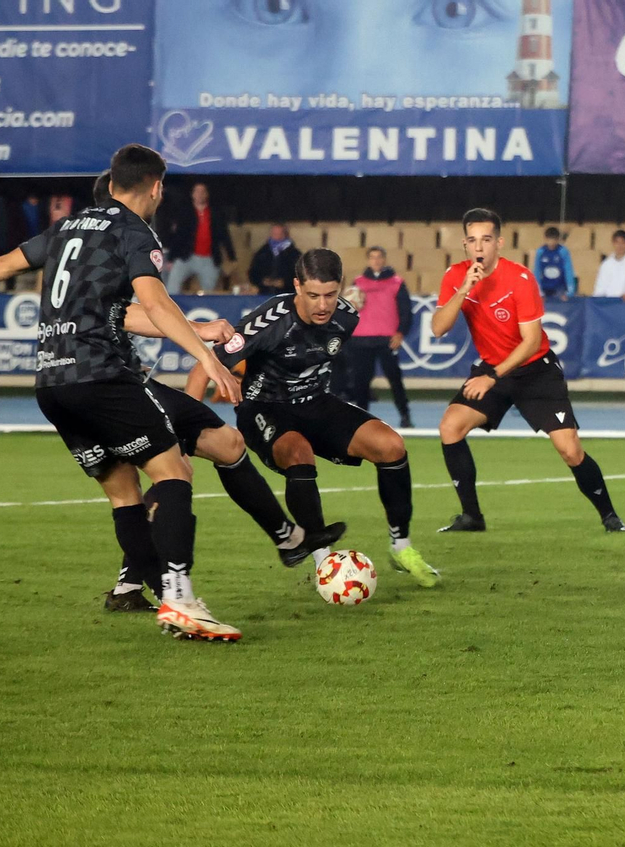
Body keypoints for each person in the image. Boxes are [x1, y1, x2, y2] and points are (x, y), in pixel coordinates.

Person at [0, 144, 245, 641]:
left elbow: (3, 264)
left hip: (52, 383)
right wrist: (206, 357)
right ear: (156, 187)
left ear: (113, 182)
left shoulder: (68, 227)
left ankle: (159, 595)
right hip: (100, 374)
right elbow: (157, 305)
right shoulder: (135, 232)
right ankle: (179, 598)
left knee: (123, 495)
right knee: (173, 470)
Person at [85, 170, 330, 614]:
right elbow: (135, 314)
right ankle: (174, 589)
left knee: (216, 447)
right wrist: (201, 339)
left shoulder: (87, 249)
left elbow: (118, 315)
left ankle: (283, 537)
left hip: (90, 386)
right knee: (174, 474)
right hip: (114, 385)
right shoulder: (116, 245)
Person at [185, 248, 441, 588]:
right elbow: (203, 365)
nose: (322, 305)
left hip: (316, 402)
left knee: (391, 445)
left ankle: (402, 547)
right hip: (264, 408)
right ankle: (323, 558)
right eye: (313, 295)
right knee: (298, 452)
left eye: (330, 295)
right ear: (296, 286)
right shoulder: (270, 321)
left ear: (341, 288)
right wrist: (187, 427)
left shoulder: (347, 317)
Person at [433, 208, 625, 534]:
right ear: (465, 244)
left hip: (535, 370)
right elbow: (439, 327)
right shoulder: (456, 276)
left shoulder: (520, 278)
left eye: (486, 239)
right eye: (472, 240)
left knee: (569, 450)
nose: (479, 247)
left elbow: (530, 341)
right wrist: (463, 290)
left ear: (499, 242)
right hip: (491, 369)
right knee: (450, 427)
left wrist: (492, 376)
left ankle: (610, 516)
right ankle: (471, 517)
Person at [342, 246, 415, 427]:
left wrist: (400, 333)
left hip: (386, 339)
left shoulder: (397, 282)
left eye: (379, 257)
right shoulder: (358, 282)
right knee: (361, 381)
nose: (376, 260)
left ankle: (405, 415)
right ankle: (361, 419)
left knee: (395, 379)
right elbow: (349, 311)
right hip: (361, 338)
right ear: (368, 260)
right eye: (372, 257)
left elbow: (406, 311)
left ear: (384, 259)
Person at [164, 182, 236, 294]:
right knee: (172, 289)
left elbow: (224, 235)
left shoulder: (216, 213)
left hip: (209, 259)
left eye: (203, 192)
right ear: (192, 194)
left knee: (208, 293)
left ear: (207, 194)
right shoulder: (184, 212)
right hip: (186, 257)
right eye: (197, 191)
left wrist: (232, 257)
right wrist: (171, 259)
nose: (200, 194)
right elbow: (178, 236)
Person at [248, 224, 301, 295]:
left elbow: (300, 275)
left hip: (287, 295)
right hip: (265, 295)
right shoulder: (262, 252)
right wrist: (262, 281)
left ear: (285, 234)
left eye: (278, 234)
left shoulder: (294, 254)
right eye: (274, 233)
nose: (275, 236)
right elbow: (253, 272)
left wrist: (285, 283)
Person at [592, 229, 625, 300]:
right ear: (613, 243)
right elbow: (600, 287)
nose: (620, 246)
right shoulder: (606, 264)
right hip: (608, 303)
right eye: (617, 242)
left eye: (623, 243)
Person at [532, 226, 576, 300]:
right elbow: (537, 271)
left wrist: (569, 292)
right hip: (545, 287)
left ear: (558, 239)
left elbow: (568, 271)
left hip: (559, 288)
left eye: (554, 240)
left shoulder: (563, 251)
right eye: (549, 240)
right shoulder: (540, 252)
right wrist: (538, 292)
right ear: (545, 239)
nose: (551, 243)